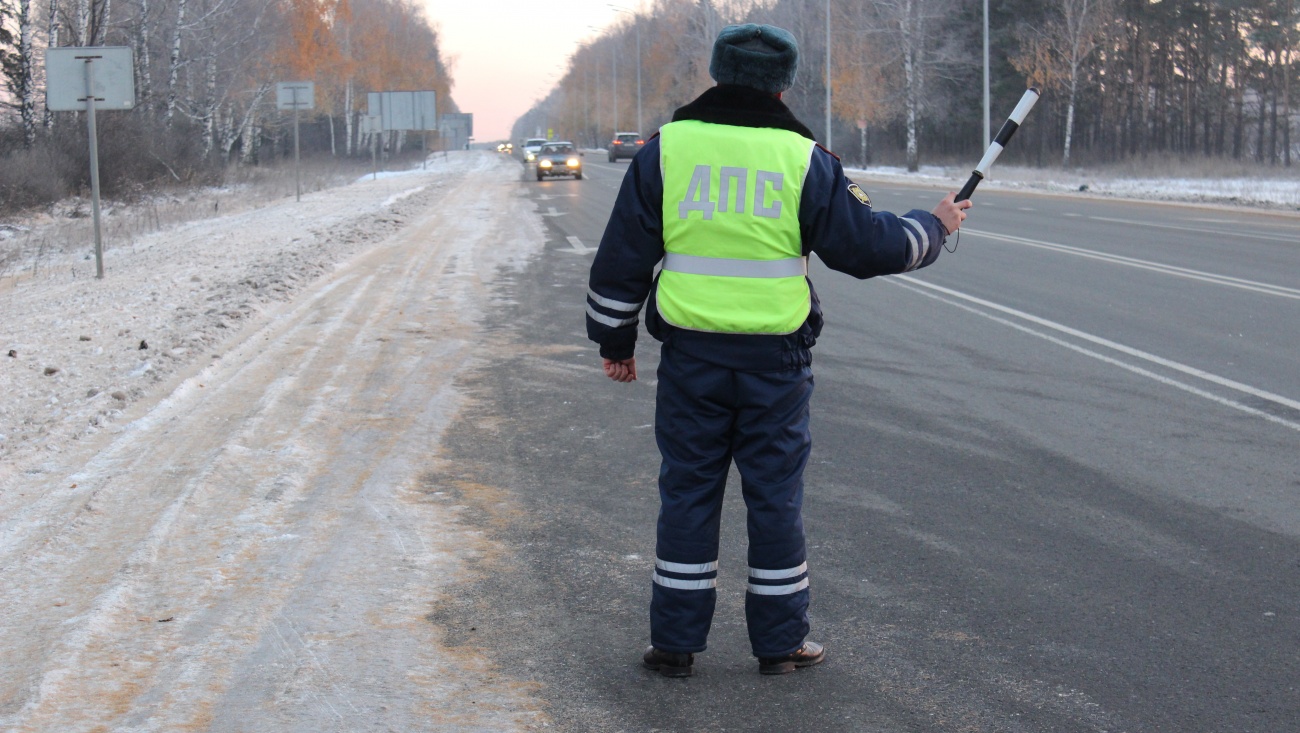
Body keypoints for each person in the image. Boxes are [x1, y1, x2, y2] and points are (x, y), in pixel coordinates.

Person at [585, 23, 971, 678]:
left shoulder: (667, 150)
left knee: (687, 493)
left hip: (691, 360)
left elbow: (622, 256)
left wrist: (615, 340)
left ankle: (674, 644)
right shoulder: (805, 159)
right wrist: (934, 227)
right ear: (784, 85)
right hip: (776, 365)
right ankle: (780, 643)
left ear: (715, 73)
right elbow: (867, 245)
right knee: (774, 498)